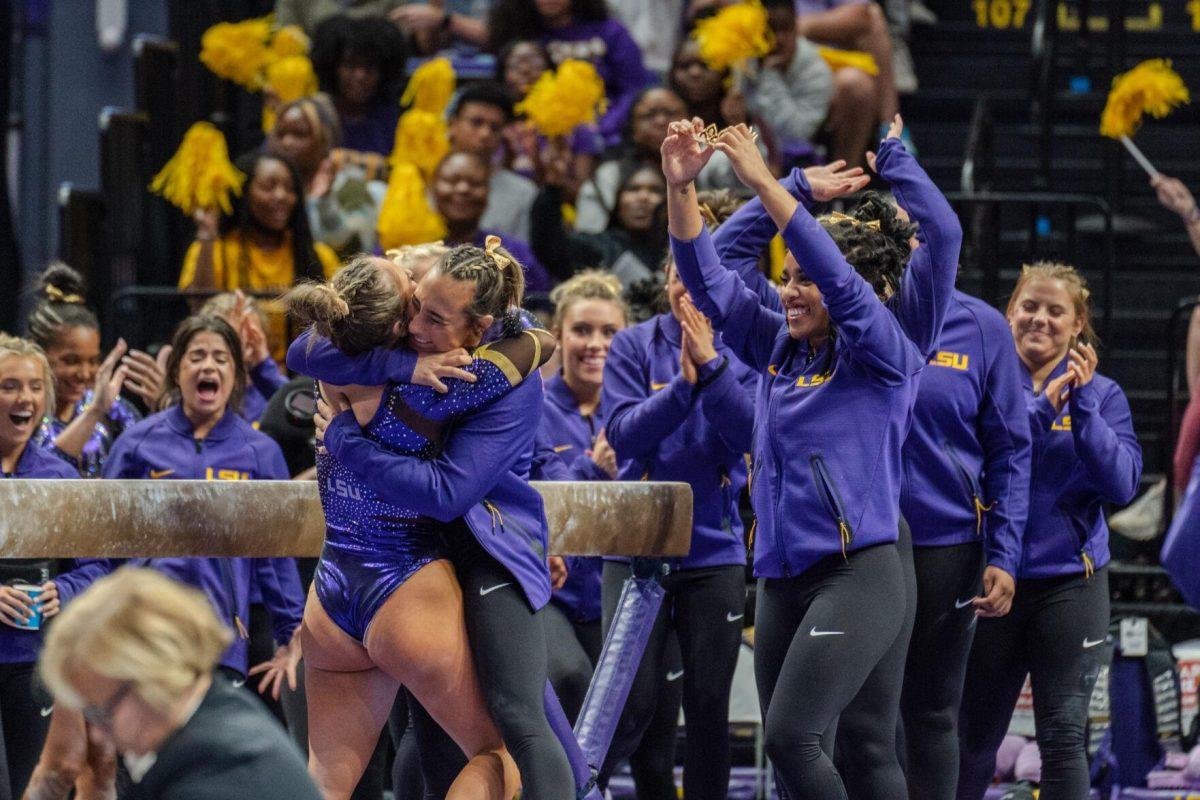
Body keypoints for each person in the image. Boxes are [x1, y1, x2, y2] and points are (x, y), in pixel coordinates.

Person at [661, 117, 953, 798]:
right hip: (783, 577)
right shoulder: (781, 349)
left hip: (859, 572)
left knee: (796, 739)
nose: (789, 292)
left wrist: (766, 183)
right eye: (785, 280)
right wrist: (683, 188)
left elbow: (842, 282)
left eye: (803, 281)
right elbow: (712, 278)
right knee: (829, 751)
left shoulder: (883, 355)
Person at [293, 241, 581, 800]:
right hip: (404, 587)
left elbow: (299, 351)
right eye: (413, 301)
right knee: (500, 754)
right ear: (396, 321)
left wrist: (343, 429)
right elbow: (531, 350)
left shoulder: (332, 359)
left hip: (330, 595)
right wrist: (535, 335)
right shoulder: (431, 387)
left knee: (325, 781)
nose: (419, 321)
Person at [957, 263, 1142, 800]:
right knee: (973, 737)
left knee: (1063, 737)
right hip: (992, 583)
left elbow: (1122, 485)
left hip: (1070, 584)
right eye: (1028, 306)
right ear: (1009, 312)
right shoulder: (983, 383)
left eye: (1055, 310)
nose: (1039, 319)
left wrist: (1082, 412)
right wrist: (1041, 411)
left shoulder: (1104, 395)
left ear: (1078, 323)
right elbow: (985, 467)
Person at [598, 190, 759, 799]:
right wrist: (683, 389)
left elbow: (745, 436)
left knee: (710, 709)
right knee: (631, 705)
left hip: (712, 551)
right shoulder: (634, 345)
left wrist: (712, 369)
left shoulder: (746, 349)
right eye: (676, 270)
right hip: (635, 548)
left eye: (701, 272)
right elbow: (621, 435)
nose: (686, 285)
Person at [38, 568, 322, 800]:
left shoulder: (215, 777)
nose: (98, 736)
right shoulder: (216, 711)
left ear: (149, 683)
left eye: (102, 713)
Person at [0, 334, 109, 800]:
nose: (24, 397)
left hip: (33, 661)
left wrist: (63, 591)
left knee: (37, 785)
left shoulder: (59, 477)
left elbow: (98, 566)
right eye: (8, 386)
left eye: (33, 387)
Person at [531, 271, 629, 723]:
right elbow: (554, 495)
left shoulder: (637, 411)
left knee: (631, 713)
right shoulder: (533, 407)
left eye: (610, 332)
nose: (596, 344)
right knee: (571, 680)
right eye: (582, 331)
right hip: (554, 593)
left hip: (617, 591)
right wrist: (596, 467)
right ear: (558, 336)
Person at [179, 151, 340, 360]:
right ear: (245, 192)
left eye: (290, 189)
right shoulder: (217, 250)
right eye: (268, 186)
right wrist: (207, 235)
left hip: (301, 381)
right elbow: (200, 308)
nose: (281, 196)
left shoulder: (319, 255)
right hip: (236, 374)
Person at [26, 263, 156, 478]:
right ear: (37, 352)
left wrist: (162, 410)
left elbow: (149, 468)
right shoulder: (22, 413)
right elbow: (40, 479)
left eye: (93, 360)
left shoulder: (114, 411)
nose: (85, 373)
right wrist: (93, 413)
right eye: (71, 360)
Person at [487, 0, 655, 146]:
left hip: (607, 134)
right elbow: (505, 92)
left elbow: (632, 90)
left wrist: (604, 127)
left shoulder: (611, 32)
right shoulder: (517, 33)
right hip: (536, 136)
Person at [269, 95, 389, 259]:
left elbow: (356, 249)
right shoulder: (270, 189)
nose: (287, 142)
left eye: (299, 134)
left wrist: (324, 202)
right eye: (281, 134)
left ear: (323, 140)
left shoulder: (351, 186)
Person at [531, 158, 667, 287]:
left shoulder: (678, 249)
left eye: (655, 190)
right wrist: (552, 188)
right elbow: (550, 247)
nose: (643, 197)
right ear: (618, 200)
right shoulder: (598, 247)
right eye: (633, 189)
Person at [432, 151, 553, 292]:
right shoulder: (414, 246)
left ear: (488, 192)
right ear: (433, 188)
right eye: (452, 181)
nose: (463, 189)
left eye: (475, 183)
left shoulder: (510, 253)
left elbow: (542, 304)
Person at [573, 87, 688, 235]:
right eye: (649, 115)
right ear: (632, 128)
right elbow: (587, 241)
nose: (661, 121)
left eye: (670, 113)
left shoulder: (706, 163)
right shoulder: (610, 175)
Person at [446, 81, 539, 244]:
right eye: (476, 123)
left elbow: (517, 261)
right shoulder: (422, 182)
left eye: (495, 128)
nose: (485, 134)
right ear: (452, 125)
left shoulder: (523, 193)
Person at [311, 14, 408, 156]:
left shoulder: (392, 116)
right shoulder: (316, 113)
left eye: (369, 67)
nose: (360, 76)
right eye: (350, 65)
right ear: (333, 67)